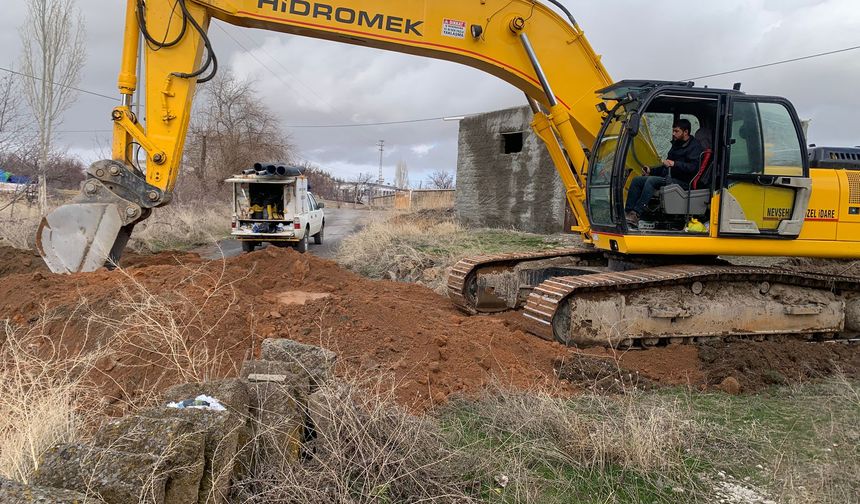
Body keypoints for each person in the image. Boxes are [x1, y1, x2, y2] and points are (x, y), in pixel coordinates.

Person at [625, 119, 703, 227]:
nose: (673, 134)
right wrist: (651, 170)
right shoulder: (677, 144)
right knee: (637, 180)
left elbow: (693, 168)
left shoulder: (695, 147)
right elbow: (666, 165)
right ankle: (628, 212)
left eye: (676, 131)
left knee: (652, 181)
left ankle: (636, 214)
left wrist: (675, 164)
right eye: (673, 131)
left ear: (686, 132)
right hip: (670, 177)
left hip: (683, 181)